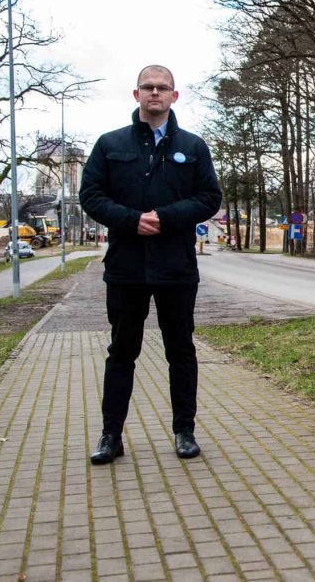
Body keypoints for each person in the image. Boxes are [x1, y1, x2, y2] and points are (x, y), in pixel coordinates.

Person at [80, 65, 222, 464]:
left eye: (162, 88)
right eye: (148, 87)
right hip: (126, 268)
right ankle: (111, 436)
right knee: (122, 352)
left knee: (181, 351)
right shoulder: (110, 144)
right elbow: (90, 195)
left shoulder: (193, 147)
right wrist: (131, 220)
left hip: (176, 267)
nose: (155, 93)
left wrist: (166, 217)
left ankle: (184, 432)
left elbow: (209, 197)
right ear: (136, 94)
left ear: (174, 96)